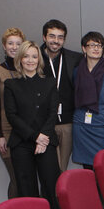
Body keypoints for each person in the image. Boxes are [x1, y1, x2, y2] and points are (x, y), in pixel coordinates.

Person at [3, 41, 69, 209]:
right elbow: (12, 116)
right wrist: (35, 137)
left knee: (52, 186)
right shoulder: (11, 85)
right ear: (19, 59)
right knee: (27, 190)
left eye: (34, 56)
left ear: (38, 60)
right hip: (22, 143)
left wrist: (44, 138)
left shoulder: (49, 82)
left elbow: (52, 113)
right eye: (26, 56)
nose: (30, 60)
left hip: (46, 141)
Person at [71, 31, 104, 169]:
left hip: (102, 129)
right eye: (92, 45)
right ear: (83, 48)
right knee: (88, 173)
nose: (96, 48)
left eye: (100, 45)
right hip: (82, 128)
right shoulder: (77, 72)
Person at [40, 19, 83, 172]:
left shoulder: (75, 58)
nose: (56, 41)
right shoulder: (34, 57)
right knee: (48, 170)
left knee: (61, 169)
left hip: (67, 123)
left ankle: (58, 196)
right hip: (43, 124)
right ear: (44, 37)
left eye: (60, 37)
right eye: (52, 36)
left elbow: (95, 65)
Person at [0, 27, 25, 199]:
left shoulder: (27, 68)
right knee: (17, 177)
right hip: (7, 131)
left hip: (26, 131)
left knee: (26, 178)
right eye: (10, 43)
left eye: (18, 43)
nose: (14, 47)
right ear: (4, 46)